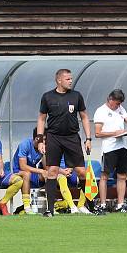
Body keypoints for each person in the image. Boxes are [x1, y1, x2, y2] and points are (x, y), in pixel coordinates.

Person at [36, 69, 93, 217]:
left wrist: (88, 138)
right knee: (52, 171)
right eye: (67, 79)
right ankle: (50, 210)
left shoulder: (76, 96)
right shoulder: (47, 97)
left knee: (81, 171)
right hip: (54, 137)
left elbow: (85, 117)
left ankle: (91, 206)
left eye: (71, 79)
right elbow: (42, 119)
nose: (70, 81)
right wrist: (40, 139)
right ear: (59, 80)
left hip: (72, 137)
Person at [1, 128, 81, 214]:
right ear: (37, 139)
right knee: (26, 174)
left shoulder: (45, 147)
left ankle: (50, 206)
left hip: (33, 172)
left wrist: (45, 156)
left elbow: (47, 166)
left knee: (48, 175)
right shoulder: (24, 144)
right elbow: (23, 166)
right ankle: (27, 207)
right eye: (45, 139)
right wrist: (41, 171)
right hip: (18, 171)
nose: (47, 142)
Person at [93, 89, 127, 213]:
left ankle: (120, 204)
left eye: (119, 104)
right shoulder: (101, 111)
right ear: (110, 100)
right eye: (116, 103)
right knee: (105, 175)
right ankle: (103, 203)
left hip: (122, 147)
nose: (118, 106)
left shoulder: (121, 109)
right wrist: (114, 133)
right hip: (109, 148)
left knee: (122, 175)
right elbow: (98, 133)